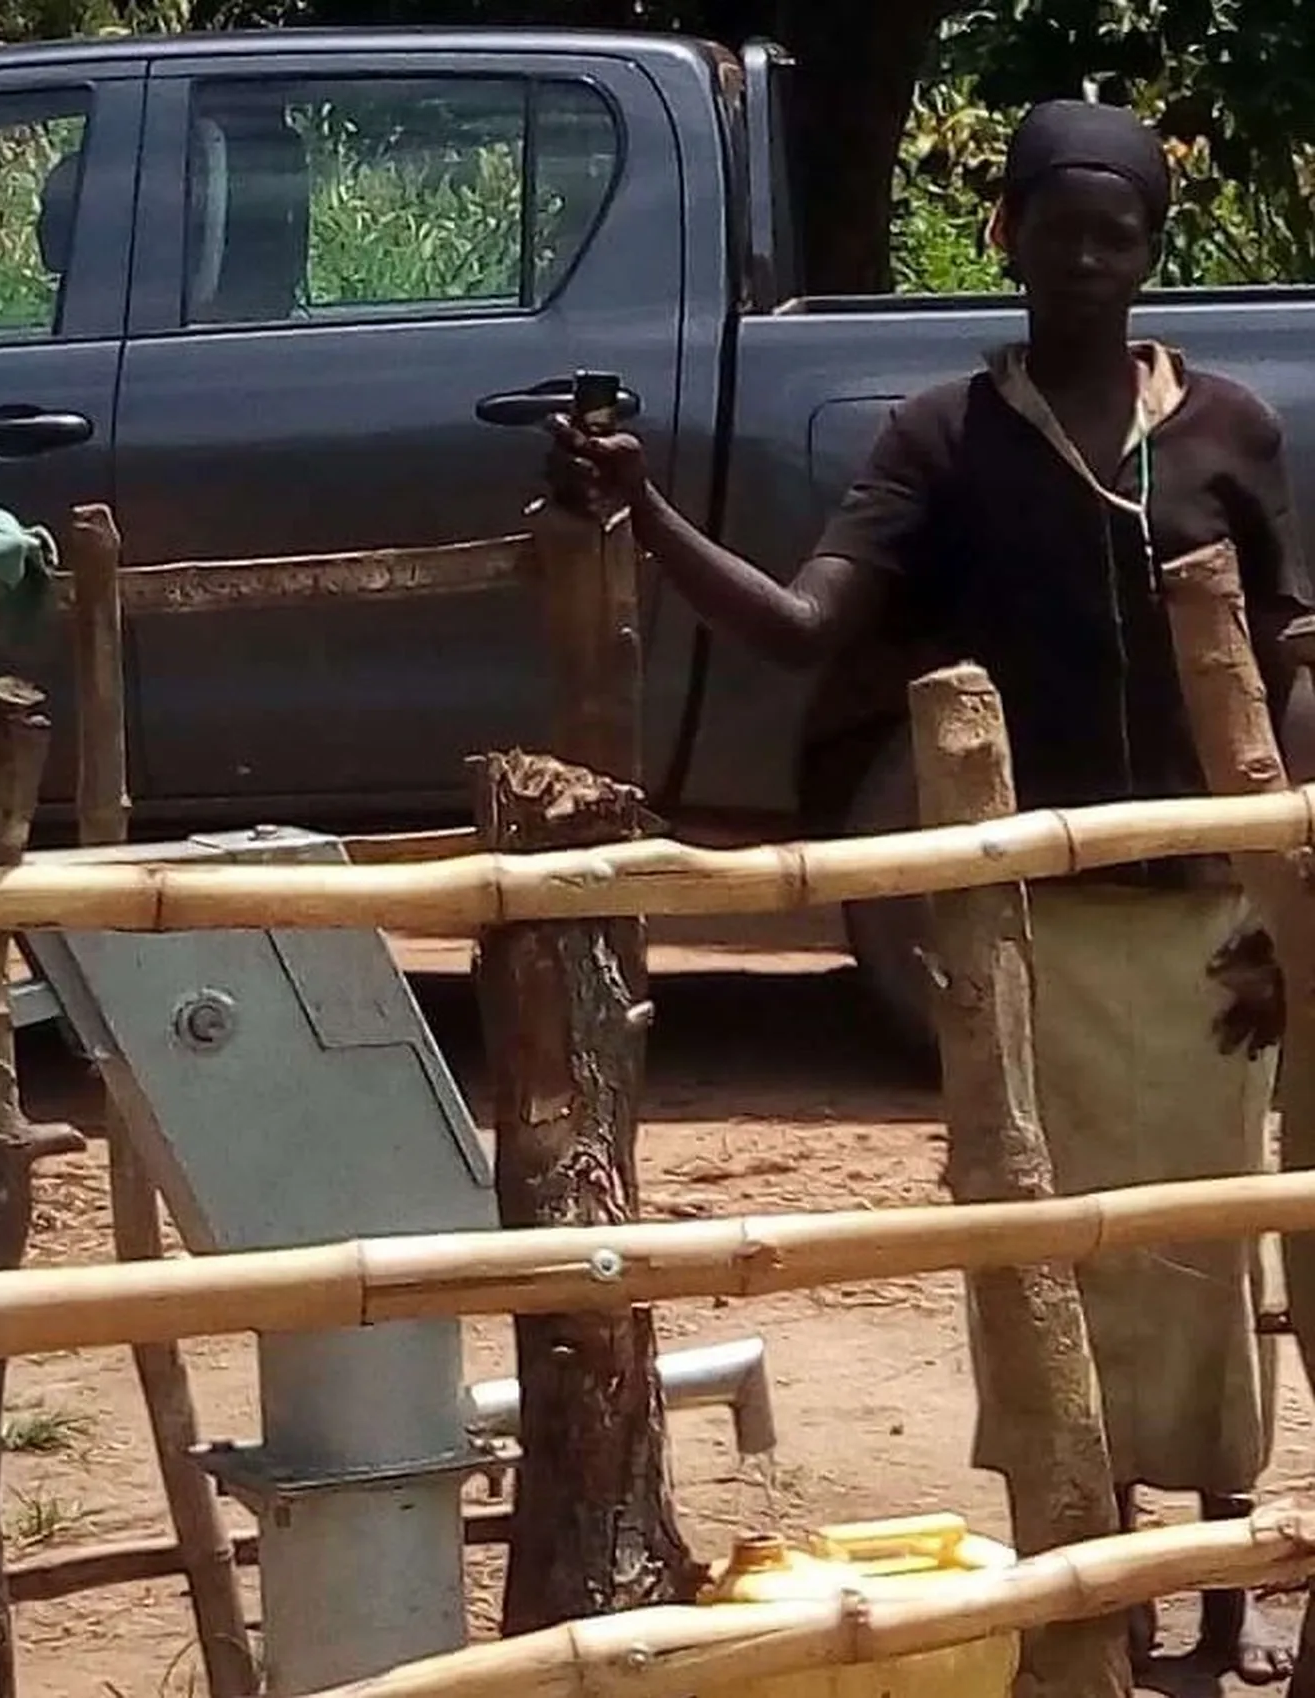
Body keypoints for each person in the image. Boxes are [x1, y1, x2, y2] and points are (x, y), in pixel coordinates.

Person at [549, 98, 1312, 1684]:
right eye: (1056, 229)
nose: (1086, 261)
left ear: (1152, 252)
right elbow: (801, 623)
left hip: (1210, 929)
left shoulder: (1229, 425)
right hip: (1026, 922)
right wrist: (647, 510)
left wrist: (1288, 875)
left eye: (1118, 235)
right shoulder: (944, 438)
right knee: (1062, 1270)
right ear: (1005, 239)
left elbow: (1290, 653)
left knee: (1211, 1263)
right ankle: (1104, 1593)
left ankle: (1234, 1600)